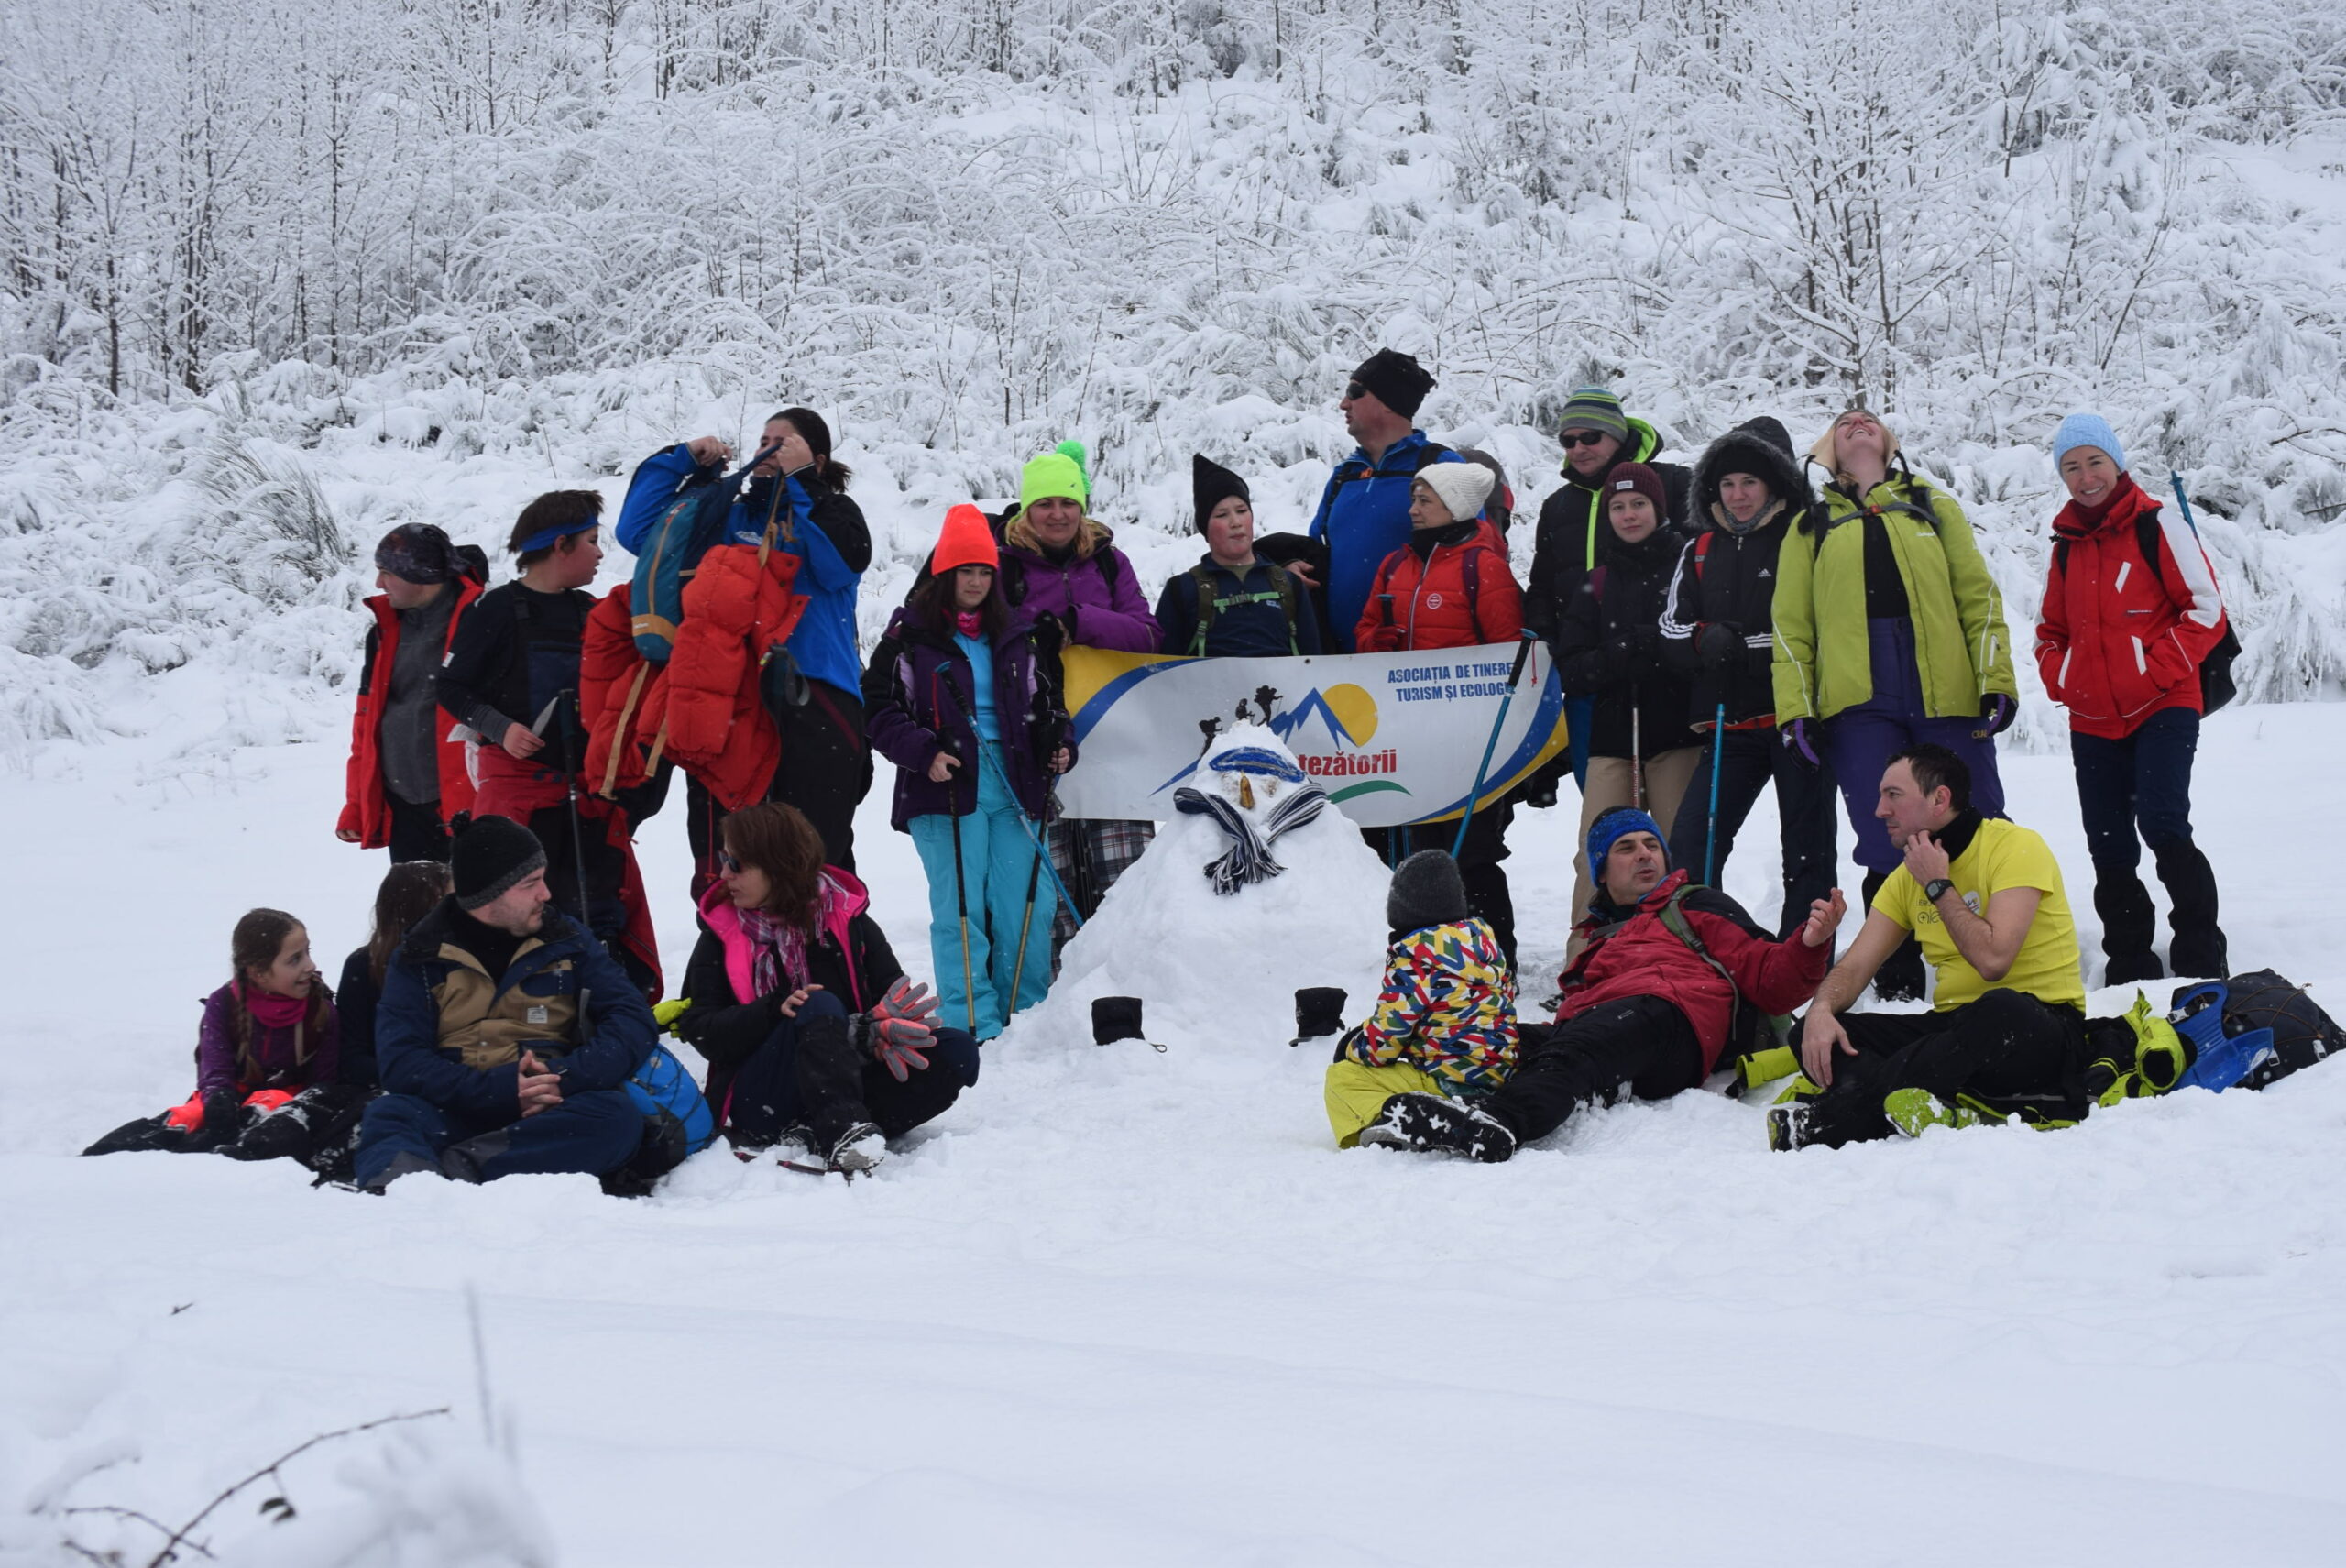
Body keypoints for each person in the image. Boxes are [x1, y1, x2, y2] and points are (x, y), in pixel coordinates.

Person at [1357, 809, 1844, 1161]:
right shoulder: (1594, 936)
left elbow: (1772, 982)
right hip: (1615, 1024)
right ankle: (1442, 1099)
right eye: (1626, 848)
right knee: (1502, 1039)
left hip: (1673, 1015)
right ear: (1602, 871)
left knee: (1578, 1052)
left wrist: (1808, 945)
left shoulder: (1696, 904)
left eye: (1651, 844)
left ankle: (1500, 1123)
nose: (1645, 855)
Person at [1771, 408, 2018, 1001]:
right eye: (1845, 421)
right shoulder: (1810, 523)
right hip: (1857, 696)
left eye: (1869, 418)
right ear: (1828, 447)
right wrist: (1797, 707)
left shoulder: (1933, 504)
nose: (1858, 422)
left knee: (1975, 815)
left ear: (1890, 441)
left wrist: (1995, 675)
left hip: (1945, 683)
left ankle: (2004, 955)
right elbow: (1790, 625)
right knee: (1884, 829)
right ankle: (1900, 984)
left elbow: (1977, 594)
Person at [1770, 746, 2088, 1151]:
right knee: (1817, 1034)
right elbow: (1852, 971)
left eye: (1894, 795)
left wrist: (1939, 886)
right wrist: (1819, 1012)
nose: (1880, 810)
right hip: (1954, 1030)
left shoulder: (2016, 847)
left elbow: (1994, 962)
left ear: (1940, 799)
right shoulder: (1906, 877)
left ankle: (1844, 1116)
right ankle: (1930, 1101)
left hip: (2039, 1029)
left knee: (2000, 1009)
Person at [615, 410, 872, 872]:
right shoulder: (727, 510)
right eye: (763, 440)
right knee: (730, 864)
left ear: (817, 458)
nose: (769, 449)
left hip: (816, 696)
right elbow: (639, 533)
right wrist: (681, 462)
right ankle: (734, 944)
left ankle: (829, 942)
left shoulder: (832, 510)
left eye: (784, 441)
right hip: (728, 699)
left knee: (816, 861)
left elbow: (839, 565)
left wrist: (802, 483)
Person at [672, 802, 982, 1172]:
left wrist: (880, 1030)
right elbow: (702, 1031)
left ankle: (817, 1129)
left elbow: (890, 999)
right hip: (763, 1095)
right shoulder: (721, 934)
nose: (723, 874)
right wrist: (772, 1011)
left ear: (778, 866)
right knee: (816, 1004)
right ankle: (843, 1132)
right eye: (725, 859)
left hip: (846, 1079)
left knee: (955, 1050)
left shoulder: (849, 922)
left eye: (736, 863)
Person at [354, 817, 657, 1190]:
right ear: (487, 895)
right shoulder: (421, 956)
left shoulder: (567, 939)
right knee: (390, 1114)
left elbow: (632, 1019)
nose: (545, 894)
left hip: (550, 1109)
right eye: (530, 884)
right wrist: (497, 1090)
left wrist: (563, 1077)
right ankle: (405, 1194)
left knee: (617, 1118)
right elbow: (402, 1062)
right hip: (456, 1107)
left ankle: (447, 1177)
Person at [2034, 413, 2231, 982]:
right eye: (2071, 467)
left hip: (2163, 703)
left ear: (2116, 463)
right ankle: (2129, 955)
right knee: (2108, 842)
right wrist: (2063, 677)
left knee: (2165, 822)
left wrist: (2156, 669)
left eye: (2094, 461)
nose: (2085, 476)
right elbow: (2051, 631)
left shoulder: (2156, 524)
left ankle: (2198, 944)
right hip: (2092, 717)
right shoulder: (2065, 546)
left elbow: (2205, 607)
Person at [865, 507, 1076, 1038]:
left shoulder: (1017, 635)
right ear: (944, 576)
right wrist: (922, 751)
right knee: (961, 906)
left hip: (1016, 781)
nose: (977, 582)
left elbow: (1049, 703)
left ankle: (1023, 1014)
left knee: (1026, 901)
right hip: (946, 785)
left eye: (984, 572)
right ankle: (971, 1022)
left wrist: (1058, 741)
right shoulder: (909, 638)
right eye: (966, 572)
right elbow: (877, 708)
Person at [436, 490, 659, 992]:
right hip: (519, 799)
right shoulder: (496, 610)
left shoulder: (594, 612)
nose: (600, 553)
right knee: (524, 919)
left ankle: (610, 1009)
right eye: (591, 541)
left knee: (602, 914)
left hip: (589, 799)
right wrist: (500, 728)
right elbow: (449, 686)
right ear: (560, 545)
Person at [1659, 418, 1838, 935]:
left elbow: (1812, 630)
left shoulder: (1804, 540)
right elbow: (1670, 628)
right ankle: (1703, 950)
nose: (1737, 496)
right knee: (1694, 846)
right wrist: (1704, 640)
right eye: (1727, 484)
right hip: (1727, 728)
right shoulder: (1699, 549)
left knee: (1808, 853)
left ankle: (1804, 962)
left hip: (1795, 722)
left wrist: (1739, 644)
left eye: (1750, 483)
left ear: (1775, 484)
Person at [1355, 461, 1525, 959]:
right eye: (1414, 498)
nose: (1412, 509)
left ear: (1454, 506)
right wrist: (1376, 641)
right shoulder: (1395, 565)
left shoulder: (1482, 566)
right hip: (1408, 735)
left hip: (1468, 739)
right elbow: (1365, 630)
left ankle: (1497, 959)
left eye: (1424, 500)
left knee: (1472, 852)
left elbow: (1507, 652)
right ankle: (1424, 957)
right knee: (1419, 850)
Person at [996, 447, 1158, 951]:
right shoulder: (1004, 567)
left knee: (1125, 881)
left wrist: (1079, 619)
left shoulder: (1109, 562)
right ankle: (1058, 1000)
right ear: (1026, 509)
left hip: (1113, 740)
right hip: (1036, 739)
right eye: (1044, 503)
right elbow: (990, 638)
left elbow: (1149, 635)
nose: (1058, 514)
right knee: (1051, 888)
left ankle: (1132, 981)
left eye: (1068, 502)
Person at [84, 908, 361, 1166]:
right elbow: (215, 1066)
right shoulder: (223, 1004)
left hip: (285, 1099)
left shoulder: (320, 1011)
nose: (309, 965)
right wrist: (219, 1100)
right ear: (258, 973)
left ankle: (228, 1161)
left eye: (307, 953)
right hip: (230, 1092)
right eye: (294, 959)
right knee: (189, 1117)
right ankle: (106, 1161)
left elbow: (321, 1083)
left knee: (271, 1111)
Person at [1524, 386, 1693, 794]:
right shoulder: (1559, 505)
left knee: (1677, 810)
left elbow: (1705, 565)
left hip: (1666, 674)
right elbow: (1543, 583)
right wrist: (1547, 640)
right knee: (1605, 804)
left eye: (1590, 437)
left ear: (1618, 434)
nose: (1578, 448)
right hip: (1591, 675)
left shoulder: (1673, 483)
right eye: (1568, 440)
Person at [1555, 464, 1700, 936]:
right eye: (1618, 506)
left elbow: (1700, 646)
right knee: (1595, 855)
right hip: (1614, 737)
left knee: (1677, 852)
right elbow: (1572, 669)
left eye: (1638, 504)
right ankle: (1585, 964)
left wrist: (1661, 649)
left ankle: (1684, 952)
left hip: (1676, 733)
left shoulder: (1688, 566)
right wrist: (1618, 653)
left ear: (1658, 509)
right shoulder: (1596, 581)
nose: (1628, 514)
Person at [1323, 850, 1517, 1150]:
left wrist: (1353, 1046)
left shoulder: (1415, 957)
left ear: (1400, 908)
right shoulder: (1484, 946)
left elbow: (1385, 1042)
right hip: (1496, 1074)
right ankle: (1461, 1113)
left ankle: (1392, 1123)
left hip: (1446, 1078)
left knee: (1342, 1079)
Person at [336, 523, 487, 861]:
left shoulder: (478, 621)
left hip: (466, 809)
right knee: (414, 911)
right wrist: (357, 804)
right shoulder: (383, 631)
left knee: (476, 912)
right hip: (402, 808)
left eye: (386, 572)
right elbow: (366, 725)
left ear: (420, 575)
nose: (378, 583)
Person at [1303, 349, 1466, 651]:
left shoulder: (1439, 467)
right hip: (1340, 662)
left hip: (1419, 665)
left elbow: (1478, 559)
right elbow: (1313, 553)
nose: (1343, 403)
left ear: (1389, 404)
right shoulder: (1344, 476)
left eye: (1355, 392)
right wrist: (1291, 566)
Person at [1152, 455, 1322, 657]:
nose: (1236, 522)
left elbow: (1313, 664)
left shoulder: (1289, 584)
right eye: (1222, 515)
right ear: (1205, 527)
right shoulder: (1181, 590)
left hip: (1283, 689)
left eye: (1242, 511)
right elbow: (1163, 674)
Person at [334, 860, 454, 1094]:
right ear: (419, 912)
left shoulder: (461, 960)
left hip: (453, 1085)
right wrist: (414, 1076)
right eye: (447, 903)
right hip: (389, 1090)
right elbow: (352, 1059)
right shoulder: (363, 967)